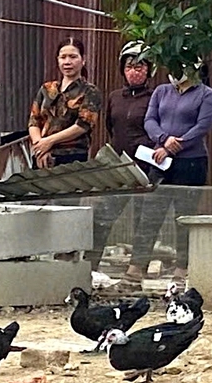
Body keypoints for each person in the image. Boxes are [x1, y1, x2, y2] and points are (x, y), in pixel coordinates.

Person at [130, 61, 212, 277]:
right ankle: (137, 265)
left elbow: (202, 127)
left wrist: (172, 147)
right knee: (149, 214)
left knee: (184, 217)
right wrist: (162, 139)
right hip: (159, 160)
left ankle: (183, 267)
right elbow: (150, 119)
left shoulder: (207, 95)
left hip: (191, 161)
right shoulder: (161, 91)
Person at [96, 41, 157, 266]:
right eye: (130, 66)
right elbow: (110, 127)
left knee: (144, 220)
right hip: (118, 167)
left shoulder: (155, 97)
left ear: (149, 70)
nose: (134, 71)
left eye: (140, 67)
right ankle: (90, 263)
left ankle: (137, 268)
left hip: (146, 167)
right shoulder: (114, 97)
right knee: (103, 216)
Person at [21, 38, 103, 169]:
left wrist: (50, 141)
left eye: (73, 57)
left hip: (72, 158)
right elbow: (34, 121)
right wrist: (40, 147)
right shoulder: (47, 89)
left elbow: (83, 125)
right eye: (63, 57)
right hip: (42, 156)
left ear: (83, 60)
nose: (67, 62)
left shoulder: (89, 91)